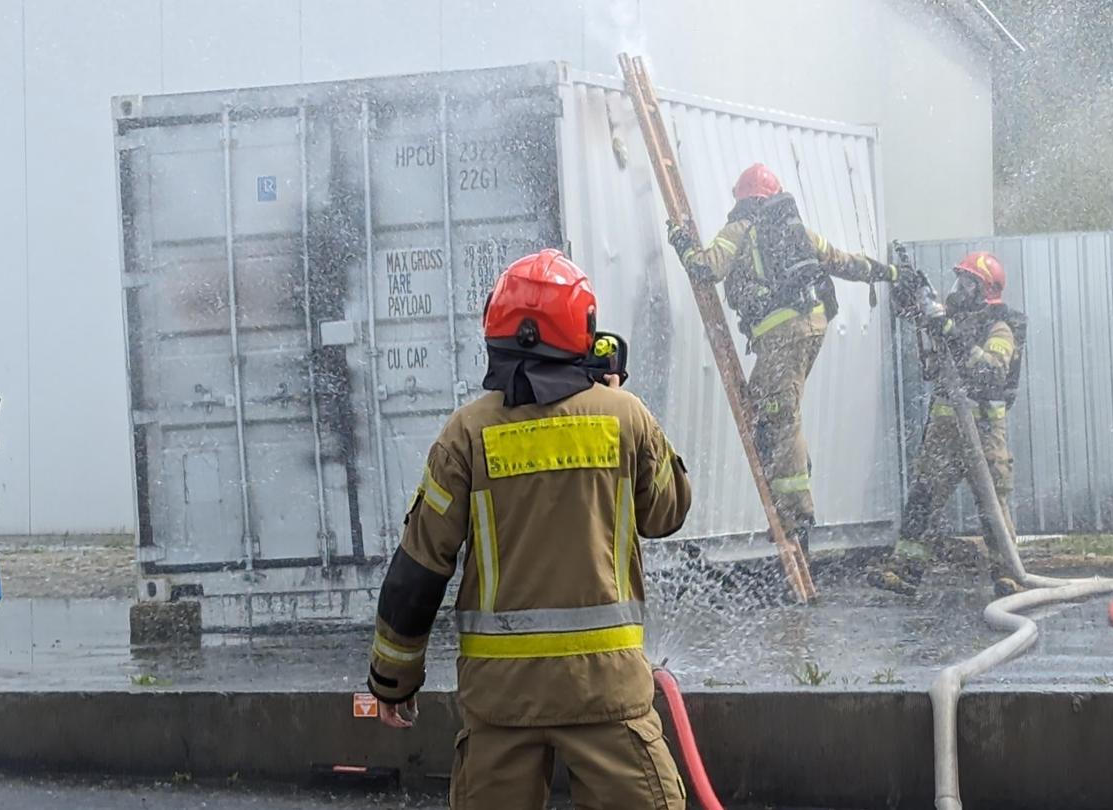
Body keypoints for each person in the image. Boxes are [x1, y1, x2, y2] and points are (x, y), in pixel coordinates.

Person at [364, 249, 695, 809]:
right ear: (582, 332)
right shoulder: (624, 416)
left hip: (502, 702)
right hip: (606, 694)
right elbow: (667, 514)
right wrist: (617, 396)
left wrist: (392, 680)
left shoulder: (465, 433)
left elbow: (420, 567)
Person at [667, 163, 914, 554]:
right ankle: (790, 499)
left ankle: (797, 518)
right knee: (768, 409)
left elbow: (706, 268)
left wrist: (681, 242)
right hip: (812, 325)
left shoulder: (742, 229)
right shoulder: (798, 232)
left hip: (781, 333)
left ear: (746, 199)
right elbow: (843, 261)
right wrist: (890, 273)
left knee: (781, 415)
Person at [874, 250, 1027, 597]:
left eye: (967, 282)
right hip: (945, 431)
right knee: (924, 499)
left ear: (984, 290)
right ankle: (904, 571)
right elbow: (910, 313)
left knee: (992, 506)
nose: (958, 289)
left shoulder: (999, 327)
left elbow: (990, 370)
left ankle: (1007, 575)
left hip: (984, 431)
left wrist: (952, 334)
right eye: (959, 280)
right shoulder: (951, 318)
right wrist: (909, 287)